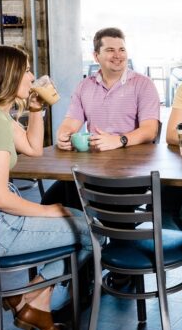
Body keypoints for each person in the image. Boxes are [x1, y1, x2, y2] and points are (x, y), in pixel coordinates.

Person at [0, 45, 90, 330]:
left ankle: (33, 302)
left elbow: (34, 149)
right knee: (91, 231)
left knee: (76, 223)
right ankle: (32, 299)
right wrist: (48, 210)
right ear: (8, 76)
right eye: (25, 70)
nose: (32, 77)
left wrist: (36, 110)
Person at [42, 28, 160, 208]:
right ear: (96, 56)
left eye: (121, 50)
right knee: (51, 200)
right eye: (110, 50)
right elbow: (70, 122)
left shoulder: (143, 84)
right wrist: (64, 135)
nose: (118, 55)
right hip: (92, 167)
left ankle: (99, 231)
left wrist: (118, 140)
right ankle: (85, 232)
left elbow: (150, 130)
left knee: (94, 205)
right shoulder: (84, 86)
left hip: (131, 170)